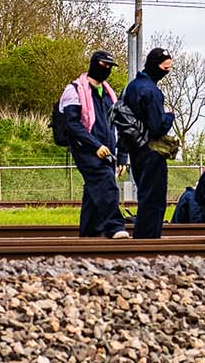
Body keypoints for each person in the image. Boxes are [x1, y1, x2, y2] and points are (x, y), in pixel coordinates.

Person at [57, 49, 129, 239]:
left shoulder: (108, 94)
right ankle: (115, 226)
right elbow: (72, 124)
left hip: (107, 149)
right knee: (106, 182)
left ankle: (89, 233)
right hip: (85, 148)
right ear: (94, 64)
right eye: (104, 65)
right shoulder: (74, 90)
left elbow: (119, 124)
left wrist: (122, 155)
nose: (106, 69)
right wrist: (94, 145)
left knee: (93, 190)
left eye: (109, 67)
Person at [120, 47, 176, 239]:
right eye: (165, 67)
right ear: (155, 66)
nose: (167, 71)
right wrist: (170, 116)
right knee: (154, 198)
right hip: (151, 151)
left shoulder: (131, 87)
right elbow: (157, 127)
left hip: (135, 150)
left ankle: (142, 239)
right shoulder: (151, 91)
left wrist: (122, 153)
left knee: (145, 195)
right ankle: (149, 240)